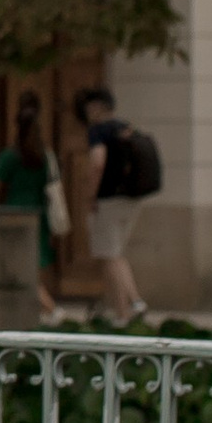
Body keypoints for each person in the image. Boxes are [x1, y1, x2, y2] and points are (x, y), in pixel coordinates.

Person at [72, 85, 149, 326]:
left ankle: (131, 305)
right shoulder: (126, 127)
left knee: (110, 256)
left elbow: (97, 163)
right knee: (115, 254)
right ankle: (125, 310)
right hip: (131, 199)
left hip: (109, 200)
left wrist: (91, 196)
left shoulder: (99, 131)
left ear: (96, 107)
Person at [0, 89, 63, 323]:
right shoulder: (44, 155)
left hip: (16, 216)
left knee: (19, 269)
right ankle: (42, 311)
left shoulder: (12, 156)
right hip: (39, 214)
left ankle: (50, 309)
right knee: (36, 265)